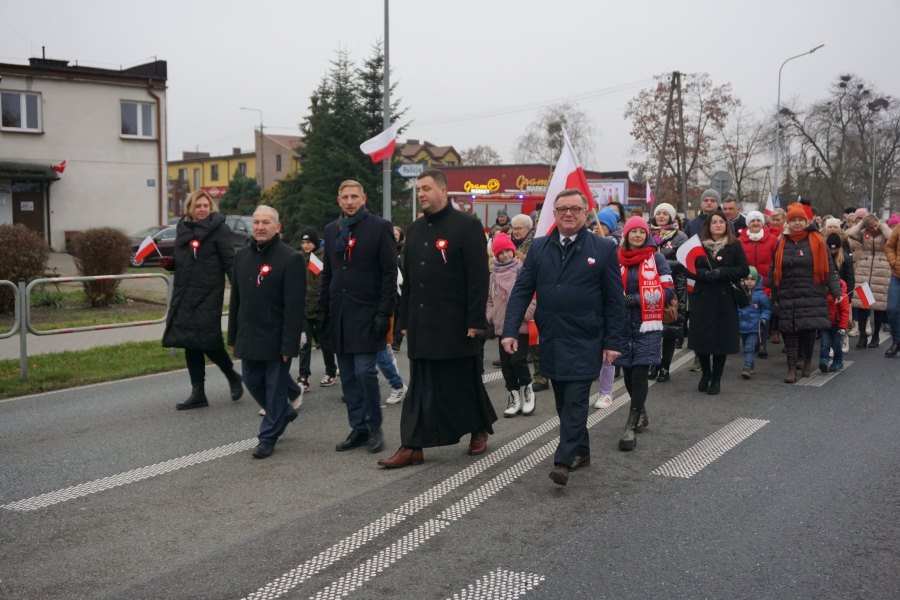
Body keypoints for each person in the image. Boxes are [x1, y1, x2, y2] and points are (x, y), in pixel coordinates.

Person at [502, 188, 627, 486]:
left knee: (575, 401)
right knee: (562, 401)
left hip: (586, 337)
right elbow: (522, 290)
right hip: (552, 337)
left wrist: (613, 342)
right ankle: (581, 452)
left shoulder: (603, 248)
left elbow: (614, 300)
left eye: (574, 208)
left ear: (585, 212)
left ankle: (563, 460)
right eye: (562, 209)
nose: (568, 213)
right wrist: (509, 330)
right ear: (554, 214)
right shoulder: (540, 247)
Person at [378, 169, 496, 468]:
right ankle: (412, 445)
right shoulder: (415, 230)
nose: (421, 194)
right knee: (420, 385)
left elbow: (478, 278)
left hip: (456, 324)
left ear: (443, 191)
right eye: (418, 189)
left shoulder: (467, 226)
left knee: (463, 382)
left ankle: (479, 427)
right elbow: (410, 281)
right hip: (422, 324)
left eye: (427, 188)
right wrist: (403, 321)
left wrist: (475, 320)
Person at [319, 180, 398, 454]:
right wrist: (323, 312)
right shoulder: (331, 230)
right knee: (349, 375)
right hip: (340, 312)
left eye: (354, 196)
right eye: (345, 197)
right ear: (339, 200)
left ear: (363, 198)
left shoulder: (379, 227)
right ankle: (359, 427)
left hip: (368, 312)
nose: (350, 201)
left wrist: (384, 312)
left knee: (365, 371)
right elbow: (328, 272)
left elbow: (390, 273)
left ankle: (374, 426)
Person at [228, 205, 305, 458]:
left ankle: (267, 436)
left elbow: (294, 307)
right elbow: (236, 301)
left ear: (277, 227)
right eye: (257, 222)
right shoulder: (241, 257)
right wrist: (232, 336)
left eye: (266, 222)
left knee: (274, 388)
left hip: (276, 337)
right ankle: (283, 411)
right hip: (249, 335)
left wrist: (289, 345)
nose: (260, 227)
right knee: (251, 380)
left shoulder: (290, 258)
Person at [161, 190, 243, 410]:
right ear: (190, 208)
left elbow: (229, 261)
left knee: (210, 341)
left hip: (208, 294)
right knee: (190, 342)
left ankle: (232, 375)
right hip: (185, 294)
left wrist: (241, 291)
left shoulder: (220, 230)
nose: (203, 209)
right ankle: (198, 392)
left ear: (211, 207)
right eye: (198, 206)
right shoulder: (183, 229)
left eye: (206, 205)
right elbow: (184, 259)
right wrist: (172, 264)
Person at [612, 216, 674, 451]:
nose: (637, 235)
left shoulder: (656, 259)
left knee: (639, 373)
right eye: (633, 231)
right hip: (621, 325)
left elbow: (668, 293)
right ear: (626, 235)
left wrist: (634, 299)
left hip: (647, 324)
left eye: (641, 232)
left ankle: (630, 423)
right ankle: (641, 411)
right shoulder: (615, 259)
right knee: (627, 374)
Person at [768, 203, 842, 383]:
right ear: (788, 222)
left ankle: (808, 359)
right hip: (788, 292)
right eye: (794, 220)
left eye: (801, 220)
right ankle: (791, 367)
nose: (797, 223)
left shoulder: (817, 240)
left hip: (812, 293)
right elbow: (774, 268)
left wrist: (836, 291)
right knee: (789, 331)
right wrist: (772, 290)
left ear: (807, 221)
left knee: (808, 331)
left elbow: (830, 269)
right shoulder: (782, 241)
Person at [687, 211, 749, 394]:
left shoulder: (734, 245)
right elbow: (687, 267)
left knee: (721, 341)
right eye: (714, 222)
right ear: (708, 225)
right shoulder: (697, 245)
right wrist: (703, 274)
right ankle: (706, 373)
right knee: (702, 340)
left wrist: (722, 272)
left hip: (725, 298)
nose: (718, 225)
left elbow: (743, 269)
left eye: (721, 222)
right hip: (702, 297)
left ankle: (716, 378)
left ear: (726, 225)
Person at [486, 232, 535, 417]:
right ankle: (514, 396)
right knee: (506, 365)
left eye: (508, 251)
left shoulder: (522, 270)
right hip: (501, 327)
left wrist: (526, 314)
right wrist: (491, 316)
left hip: (520, 325)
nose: (505, 255)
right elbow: (489, 300)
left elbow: (533, 295)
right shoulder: (493, 276)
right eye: (501, 252)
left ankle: (528, 390)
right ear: (496, 254)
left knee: (518, 360)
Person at [649, 202, 687, 382]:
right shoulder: (648, 234)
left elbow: (683, 262)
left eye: (665, 213)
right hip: (649, 285)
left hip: (674, 286)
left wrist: (660, 262)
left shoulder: (680, 236)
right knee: (653, 328)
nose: (662, 216)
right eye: (659, 213)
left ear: (672, 217)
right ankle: (653, 364)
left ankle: (665, 367)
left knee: (670, 328)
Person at [296, 227, 338, 393]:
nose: (306, 246)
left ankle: (331, 371)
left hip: (321, 308)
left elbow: (324, 284)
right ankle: (304, 377)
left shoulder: (322, 257)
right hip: (305, 308)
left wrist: (324, 308)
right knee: (304, 343)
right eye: (303, 242)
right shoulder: (298, 258)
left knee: (325, 343)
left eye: (309, 242)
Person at [846, 213, 893, 349]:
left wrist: (882, 226)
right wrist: (861, 224)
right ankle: (862, 337)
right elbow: (850, 234)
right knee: (863, 305)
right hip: (864, 271)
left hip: (881, 271)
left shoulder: (884, 233)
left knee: (877, 307)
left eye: (874, 225)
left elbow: (892, 237)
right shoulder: (863, 233)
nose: (873, 228)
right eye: (870, 226)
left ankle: (876, 336)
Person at [738, 210, 778, 357]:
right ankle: (749, 341)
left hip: (766, 282)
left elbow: (776, 261)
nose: (755, 223)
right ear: (748, 224)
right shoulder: (740, 241)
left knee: (763, 312)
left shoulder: (772, 239)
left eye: (758, 221)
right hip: (746, 282)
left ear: (762, 222)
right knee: (748, 312)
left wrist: (773, 281)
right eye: (752, 221)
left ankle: (762, 344)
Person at [737, 267, 772, 379]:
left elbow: (766, 309)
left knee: (749, 347)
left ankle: (747, 367)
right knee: (746, 346)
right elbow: (735, 307)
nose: (749, 282)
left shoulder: (761, 295)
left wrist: (763, 318)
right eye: (747, 279)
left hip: (754, 326)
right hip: (742, 325)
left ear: (756, 280)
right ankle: (751, 365)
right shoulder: (739, 293)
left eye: (752, 279)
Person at [819, 279, 849, 372]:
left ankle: (838, 361)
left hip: (837, 325)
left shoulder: (842, 296)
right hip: (825, 323)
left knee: (836, 344)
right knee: (825, 343)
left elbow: (845, 312)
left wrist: (843, 326)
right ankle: (824, 360)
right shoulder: (823, 294)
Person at [885, 222, 900, 357]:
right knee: (892, 309)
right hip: (897, 276)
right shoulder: (899, 227)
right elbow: (889, 246)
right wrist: (894, 262)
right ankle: (897, 340)